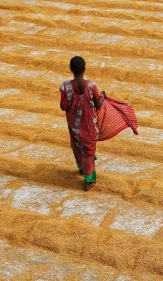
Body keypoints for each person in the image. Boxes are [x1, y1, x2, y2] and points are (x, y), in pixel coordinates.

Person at [60, 56, 104, 191]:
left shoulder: (65, 87)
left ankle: (81, 167)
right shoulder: (92, 86)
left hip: (74, 126)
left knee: (77, 146)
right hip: (89, 125)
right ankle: (89, 180)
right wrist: (102, 96)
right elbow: (97, 105)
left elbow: (63, 106)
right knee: (88, 151)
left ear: (71, 69)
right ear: (84, 69)